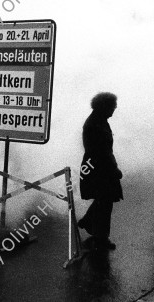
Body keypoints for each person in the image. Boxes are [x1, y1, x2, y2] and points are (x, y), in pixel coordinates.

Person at [78, 92, 123, 251]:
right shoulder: (95, 124)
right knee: (105, 203)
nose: (115, 109)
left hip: (97, 168)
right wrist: (114, 169)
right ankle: (101, 238)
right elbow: (102, 152)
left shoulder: (99, 120)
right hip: (98, 169)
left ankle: (88, 222)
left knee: (103, 200)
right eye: (112, 106)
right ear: (104, 106)